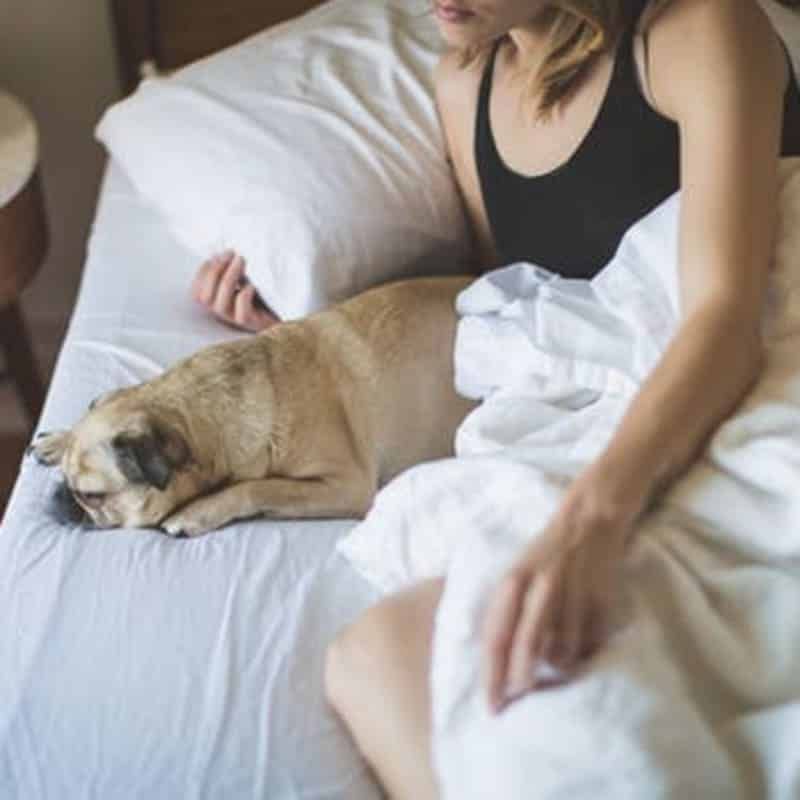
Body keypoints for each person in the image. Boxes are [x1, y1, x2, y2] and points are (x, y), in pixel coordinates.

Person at [192, 1, 800, 797]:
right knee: (371, 658)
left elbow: (725, 319)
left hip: (746, 368)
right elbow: (519, 304)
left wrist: (589, 522)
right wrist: (301, 331)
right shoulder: (465, 84)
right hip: (594, 398)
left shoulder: (696, 34)